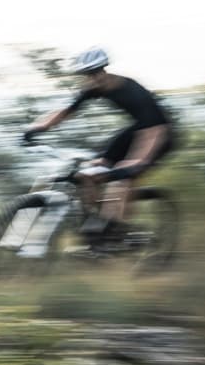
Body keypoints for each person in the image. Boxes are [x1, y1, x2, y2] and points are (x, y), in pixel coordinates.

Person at [23, 47, 177, 246]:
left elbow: (153, 131)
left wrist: (138, 162)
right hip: (136, 131)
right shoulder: (92, 89)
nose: (92, 78)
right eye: (87, 74)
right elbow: (66, 111)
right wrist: (39, 127)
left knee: (123, 179)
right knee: (88, 173)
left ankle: (116, 230)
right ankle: (98, 226)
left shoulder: (133, 92)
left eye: (96, 72)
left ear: (104, 70)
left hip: (160, 135)